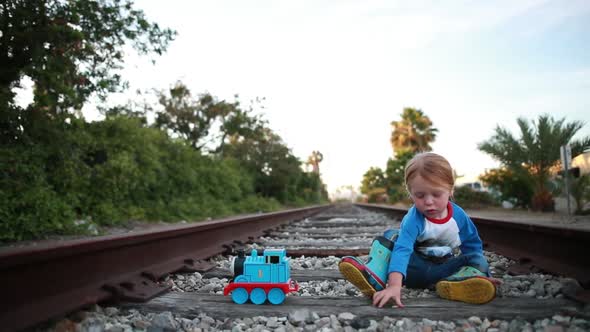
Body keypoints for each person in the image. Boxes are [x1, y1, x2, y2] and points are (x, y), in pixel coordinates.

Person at [339, 152, 498, 308]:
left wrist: (484, 272)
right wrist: (395, 286)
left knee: (476, 256)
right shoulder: (413, 218)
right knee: (393, 236)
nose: (429, 201)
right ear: (410, 193)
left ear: (450, 190)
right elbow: (402, 250)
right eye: (420, 195)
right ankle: (376, 277)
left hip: (444, 272)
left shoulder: (459, 217)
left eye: (436, 194)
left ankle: (464, 282)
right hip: (411, 271)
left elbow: (472, 245)